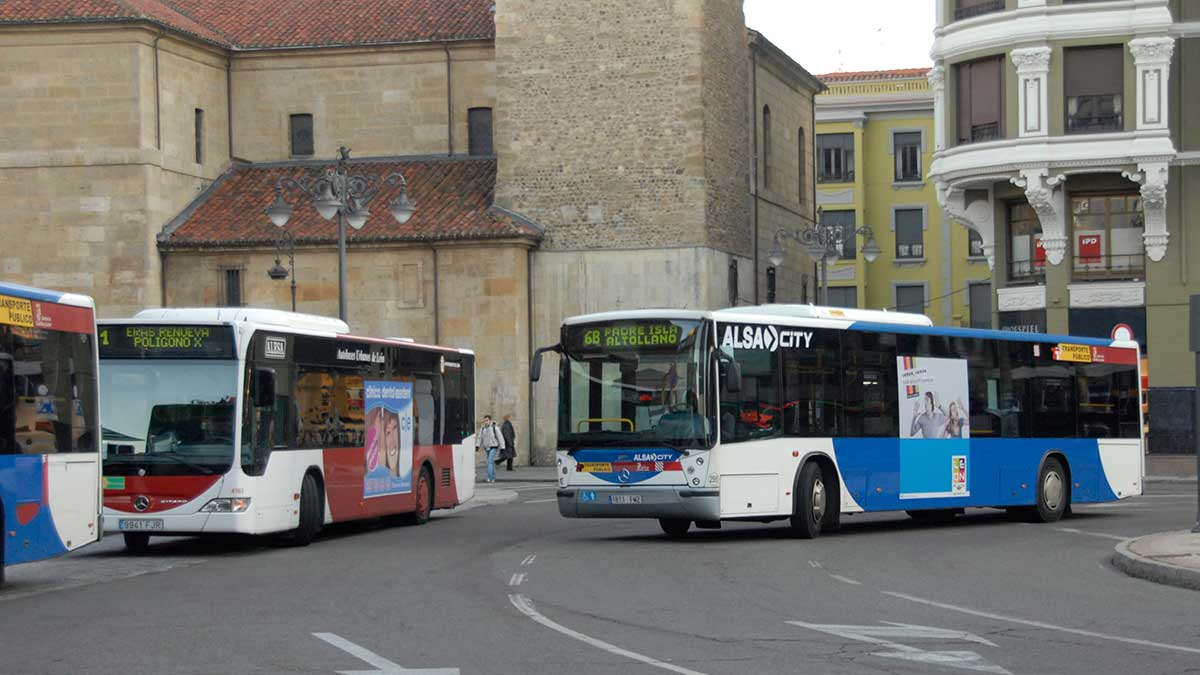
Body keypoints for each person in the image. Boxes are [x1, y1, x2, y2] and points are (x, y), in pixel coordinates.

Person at [476, 415, 505, 483]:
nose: (486, 422)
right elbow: (480, 437)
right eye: (484, 420)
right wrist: (477, 445)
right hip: (487, 447)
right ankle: (493, 477)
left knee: (489, 461)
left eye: (487, 420)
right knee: (491, 462)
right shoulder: (483, 428)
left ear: (490, 420)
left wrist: (502, 447)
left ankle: (489, 477)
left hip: (494, 447)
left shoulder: (495, 428)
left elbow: (500, 437)